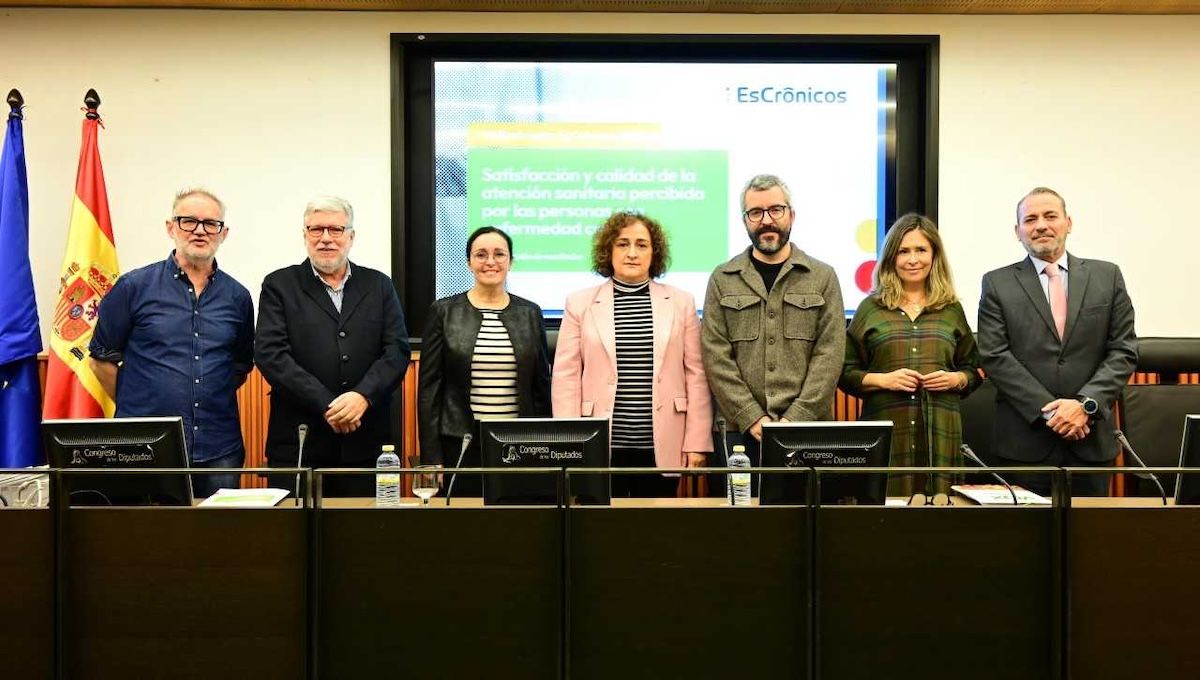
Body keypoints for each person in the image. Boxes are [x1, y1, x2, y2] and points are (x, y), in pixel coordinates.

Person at [89, 189, 254, 497]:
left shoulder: (238, 297)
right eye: (188, 221)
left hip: (219, 448)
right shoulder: (133, 287)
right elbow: (100, 359)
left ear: (224, 233)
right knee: (144, 537)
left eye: (210, 223)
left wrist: (202, 392)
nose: (200, 230)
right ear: (171, 227)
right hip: (145, 449)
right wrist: (140, 402)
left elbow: (240, 365)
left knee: (217, 538)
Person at [978, 187, 1137, 496]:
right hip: (1025, 444)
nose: (1041, 225)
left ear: (1068, 222)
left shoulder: (1108, 276)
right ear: (1018, 231)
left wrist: (1084, 404)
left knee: (1093, 540)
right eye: (1030, 219)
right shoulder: (997, 283)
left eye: (1050, 216)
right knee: (1023, 542)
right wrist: (1052, 412)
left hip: (1089, 440)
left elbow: (1123, 350)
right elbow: (995, 355)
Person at [255, 196, 410, 497]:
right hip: (300, 444)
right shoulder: (279, 285)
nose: (326, 238)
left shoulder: (378, 285)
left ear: (351, 237)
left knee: (362, 537)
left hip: (366, 443)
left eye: (336, 230)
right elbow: (271, 355)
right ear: (305, 235)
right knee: (294, 539)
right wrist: (329, 405)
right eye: (316, 229)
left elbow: (396, 352)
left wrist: (362, 397)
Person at [553, 211, 712, 497]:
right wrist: (569, 442)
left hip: (664, 442)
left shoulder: (681, 302)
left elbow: (696, 375)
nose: (632, 253)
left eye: (641, 244)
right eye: (622, 244)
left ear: (655, 253)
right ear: (608, 251)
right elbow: (565, 376)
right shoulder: (579, 303)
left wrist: (696, 441)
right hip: (598, 443)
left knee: (653, 534)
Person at [702, 174, 845, 475]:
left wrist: (795, 419)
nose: (766, 220)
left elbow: (829, 354)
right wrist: (752, 417)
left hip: (807, 431)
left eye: (775, 210)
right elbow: (716, 356)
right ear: (745, 221)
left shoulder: (823, 277)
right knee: (736, 522)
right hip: (738, 433)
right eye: (756, 212)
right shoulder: (722, 279)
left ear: (791, 214)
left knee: (805, 521)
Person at [839, 213, 981, 497]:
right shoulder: (870, 308)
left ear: (934, 255)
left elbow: (973, 370)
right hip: (888, 435)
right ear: (891, 257)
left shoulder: (952, 309)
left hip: (940, 435)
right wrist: (883, 381)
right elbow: (844, 372)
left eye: (921, 250)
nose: (912, 259)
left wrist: (955, 380)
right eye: (903, 251)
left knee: (942, 522)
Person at [418, 226, 552, 496]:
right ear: (468, 262)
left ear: (510, 262)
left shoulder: (530, 313)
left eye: (499, 254)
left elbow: (540, 389)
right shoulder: (444, 312)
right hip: (461, 444)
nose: (490, 261)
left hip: (518, 444)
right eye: (481, 254)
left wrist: (545, 449)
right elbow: (430, 389)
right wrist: (431, 457)